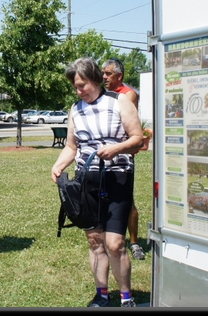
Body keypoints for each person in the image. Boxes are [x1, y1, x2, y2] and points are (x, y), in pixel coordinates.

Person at [51, 57, 143, 307]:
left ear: (94, 79)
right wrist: (59, 165)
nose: (79, 91)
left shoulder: (119, 101)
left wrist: (117, 149)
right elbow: (72, 146)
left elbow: (138, 138)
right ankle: (102, 295)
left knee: (115, 243)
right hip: (87, 181)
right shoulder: (75, 109)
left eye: (82, 85)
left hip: (117, 178)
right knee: (95, 241)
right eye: (75, 87)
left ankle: (126, 297)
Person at [102, 58, 146, 261]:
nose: (104, 77)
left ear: (119, 76)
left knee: (127, 200)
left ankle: (134, 242)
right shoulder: (103, 94)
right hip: (105, 154)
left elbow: (128, 127)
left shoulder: (128, 95)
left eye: (108, 74)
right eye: (103, 73)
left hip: (123, 155)